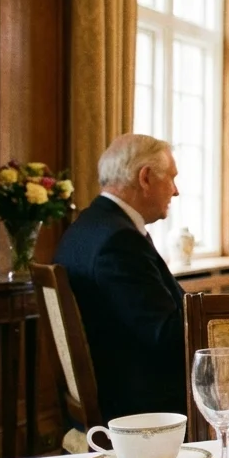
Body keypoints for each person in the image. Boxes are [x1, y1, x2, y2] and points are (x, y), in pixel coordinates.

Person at [53, 133, 186, 421]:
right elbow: (167, 336)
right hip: (142, 406)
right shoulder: (119, 241)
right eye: (172, 179)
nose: (176, 191)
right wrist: (228, 322)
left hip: (126, 386)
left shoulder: (89, 226)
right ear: (146, 177)